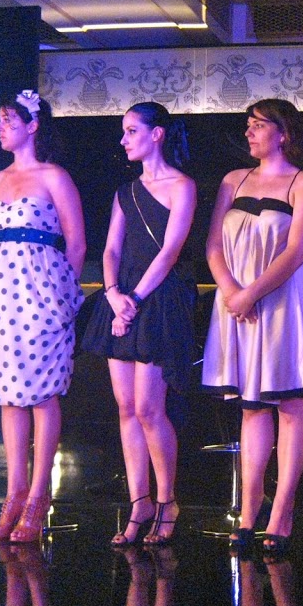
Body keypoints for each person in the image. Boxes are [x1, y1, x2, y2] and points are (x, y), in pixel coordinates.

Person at [202, 99, 303, 557]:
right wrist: (232, 291)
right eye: (248, 124)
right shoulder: (233, 180)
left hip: (280, 300)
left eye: (258, 125)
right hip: (235, 301)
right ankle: (248, 512)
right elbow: (213, 243)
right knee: (251, 406)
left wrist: (251, 293)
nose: (249, 132)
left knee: (288, 401)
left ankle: (282, 511)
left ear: (284, 132)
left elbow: (296, 251)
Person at [0, 90, 85, 543]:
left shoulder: (54, 176)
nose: (0, 128)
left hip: (42, 289)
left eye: (8, 121)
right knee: (8, 393)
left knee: (42, 393)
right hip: (1, 290)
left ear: (32, 126)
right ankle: (14, 493)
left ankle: (38, 497)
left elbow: (76, 242)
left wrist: (63, 294)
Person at [82, 101, 197, 546]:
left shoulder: (182, 186)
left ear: (157, 134)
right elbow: (110, 248)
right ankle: (139, 502)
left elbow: (170, 252)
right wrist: (113, 294)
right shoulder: (125, 191)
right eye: (124, 131)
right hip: (121, 297)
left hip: (157, 297)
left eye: (132, 130)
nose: (124, 139)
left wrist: (134, 299)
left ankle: (168, 501)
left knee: (150, 408)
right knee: (126, 407)